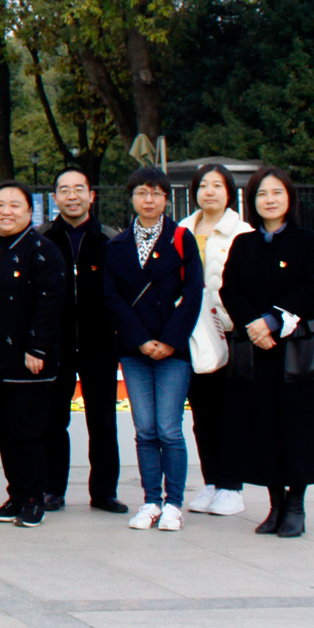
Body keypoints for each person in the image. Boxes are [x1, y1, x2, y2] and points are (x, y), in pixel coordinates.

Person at [221, 166, 314, 538]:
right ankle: (275, 505)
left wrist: (272, 320)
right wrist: (253, 326)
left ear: (289, 197)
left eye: (276, 192)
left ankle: (296, 505)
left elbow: (312, 287)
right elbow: (229, 289)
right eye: (262, 194)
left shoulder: (308, 242)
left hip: (296, 351)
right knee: (262, 425)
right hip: (257, 351)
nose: (269, 200)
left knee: (299, 426)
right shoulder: (244, 244)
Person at [103, 166, 204, 531]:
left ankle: (174, 503)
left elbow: (193, 293)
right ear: (132, 198)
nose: (149, 200)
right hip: (135, 350)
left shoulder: (181, 239)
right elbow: (112, 298)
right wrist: (141, 340)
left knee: (169, 429)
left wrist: (170, 341)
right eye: (142, 193)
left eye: (156, 194)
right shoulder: (117, 245)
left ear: (165, 199)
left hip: (173, 349)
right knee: (145, 429)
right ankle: (150, 501)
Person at [0, 181, 65, 528]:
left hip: (25, 359)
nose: (5, 211)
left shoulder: (42, 250)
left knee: (26, 432)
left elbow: (50, 302)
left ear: (29, 211)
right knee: (2, 431)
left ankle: (34, 498)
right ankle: (17, 495)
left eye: (14, 205)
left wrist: (37, 347)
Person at [40, 167, 124, 513]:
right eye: (64, 190)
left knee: (102, 420)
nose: (72, 196)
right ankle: (52, 489)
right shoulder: (43, 239)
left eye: (79, 189)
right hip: (54, 345)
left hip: (99, 344)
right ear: (55, 197)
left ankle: (104, 492)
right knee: (53, 420)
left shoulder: (111, 239)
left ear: (91, 195)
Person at [181, 163, 249, 516]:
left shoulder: (242, 232)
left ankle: (231, 487)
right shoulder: (180, 230)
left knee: (230, 413)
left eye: (217, 185)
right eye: (203, 185)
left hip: (229, 332)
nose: (209, 191)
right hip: (192, 333)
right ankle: (211, 483)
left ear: (229, 192)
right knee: (202, 412)